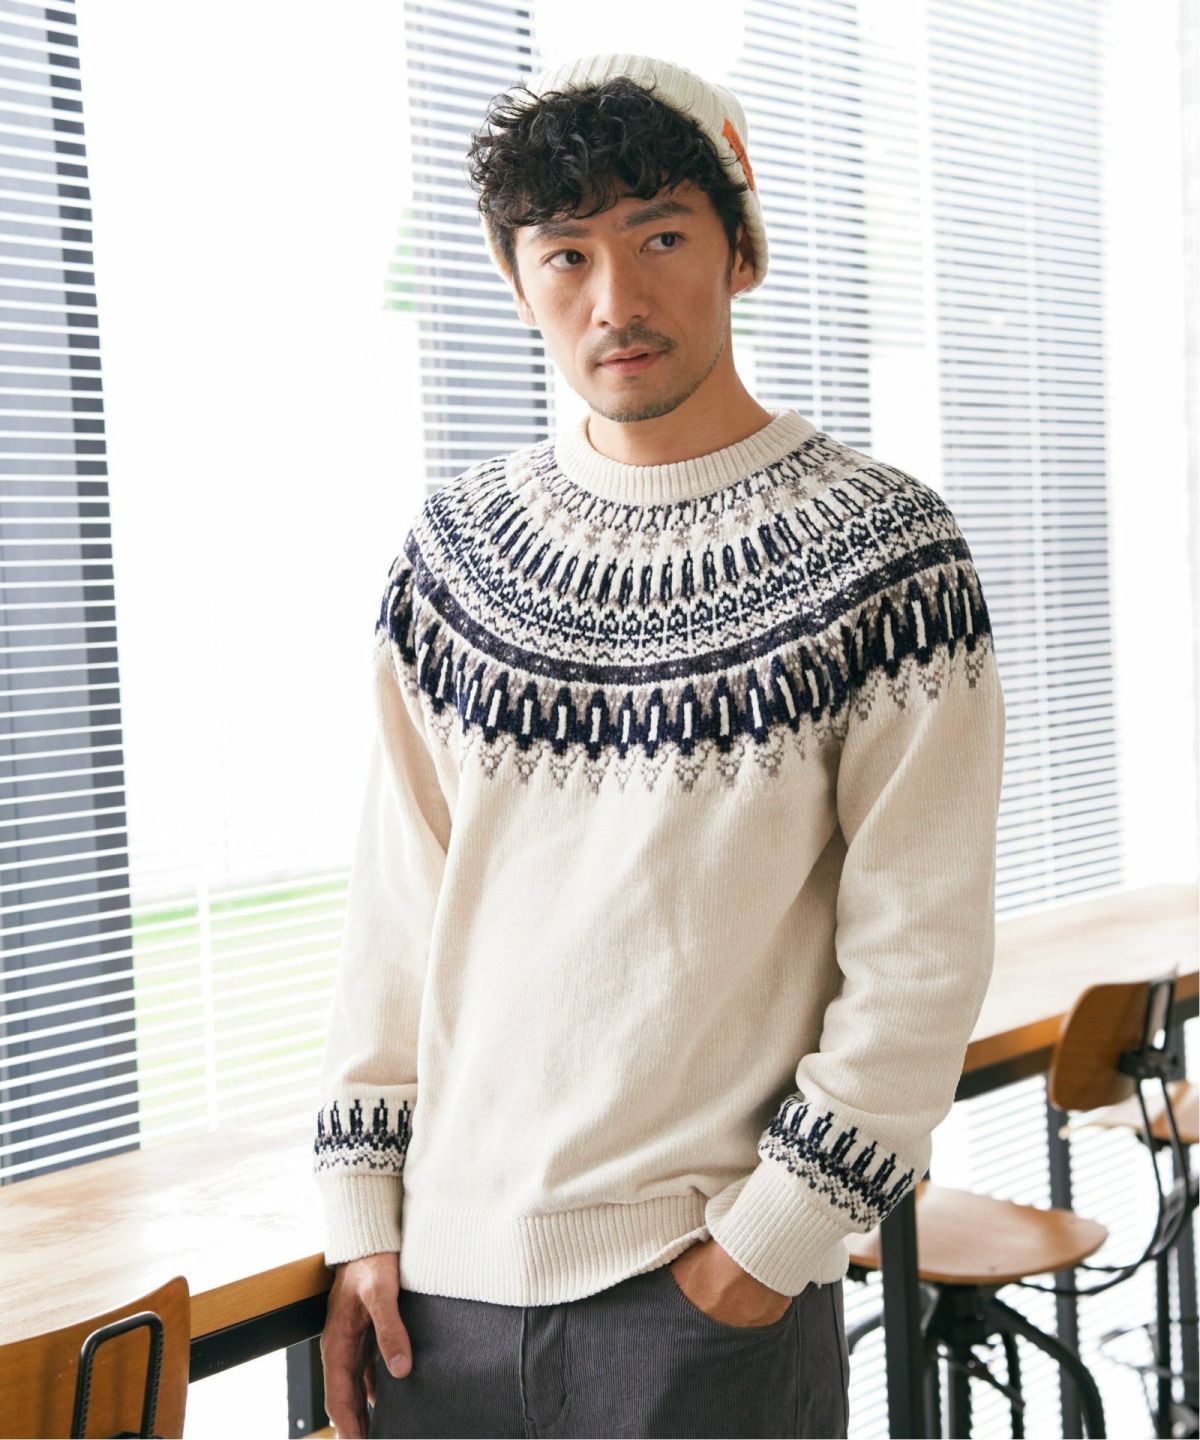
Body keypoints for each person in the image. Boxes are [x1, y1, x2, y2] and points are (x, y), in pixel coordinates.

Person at [312, 50, 1006, 1440]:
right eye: (565, 254)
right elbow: (396, 915)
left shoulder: (886, 553)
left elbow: (920, 958)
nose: (615, 300)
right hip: (435, 1305)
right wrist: (359, 1217)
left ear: (742, 251)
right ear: (517, 281)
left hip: (699, 1304)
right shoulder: (451, 558)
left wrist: (760, 1255)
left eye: (662, 238)